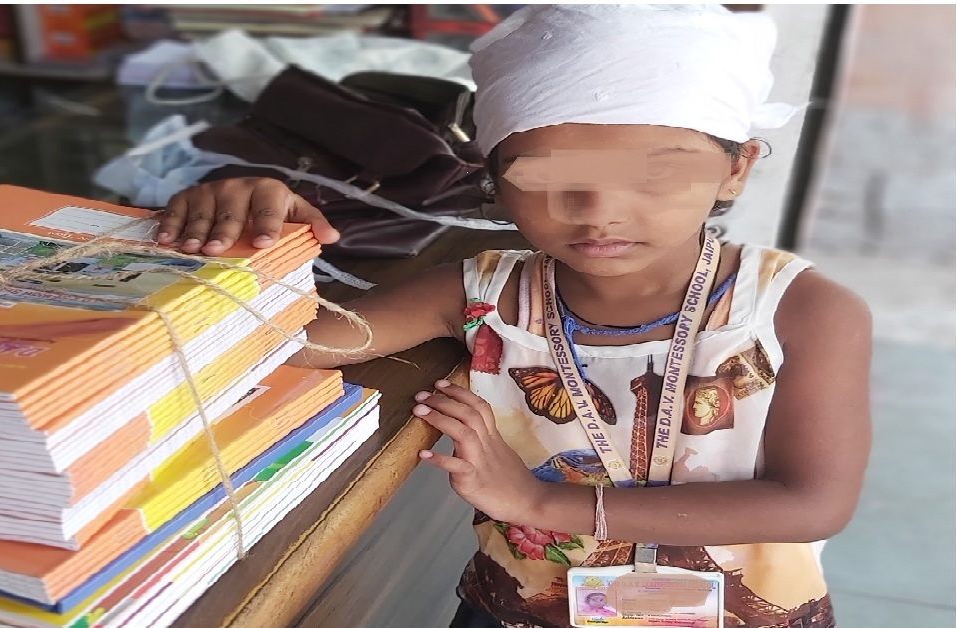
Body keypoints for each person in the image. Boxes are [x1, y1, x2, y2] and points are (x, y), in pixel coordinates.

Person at [156, 6, 870, 628]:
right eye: (548, 176)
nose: (598, 211)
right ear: (492, 177)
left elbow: (812, 504)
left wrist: (539, 503)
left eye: (656, 172)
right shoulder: (480, 296)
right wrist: (253, 235)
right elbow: (282, 344)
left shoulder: (800, 312)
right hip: (519, 611)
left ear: (736, 168)